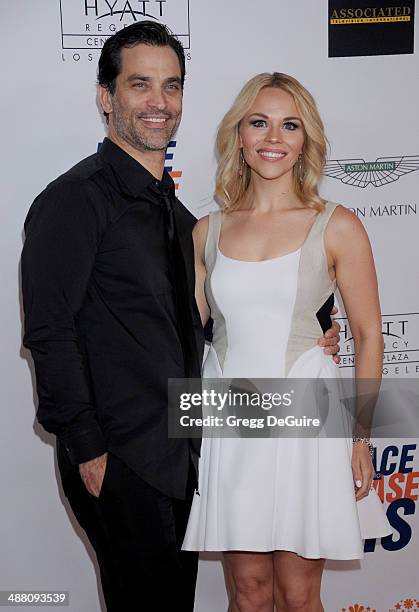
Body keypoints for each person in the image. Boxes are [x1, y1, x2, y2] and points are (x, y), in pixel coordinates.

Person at [20, 21, 340, 610]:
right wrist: (88, 450)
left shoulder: (180, 215)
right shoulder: (74, 201)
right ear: (105, 96)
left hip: (185, 453)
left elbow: (215, 317)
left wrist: (318, 328)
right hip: (120, 456)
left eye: (171, 87)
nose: (158, 102)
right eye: (140, 85)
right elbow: (49, 330)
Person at [182, 73, 392, 612]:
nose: (273, 137)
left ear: (305, 140)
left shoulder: (337, 225)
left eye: (289, 125)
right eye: (260, 122)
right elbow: (187, 335)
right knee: (248, 594)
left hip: (308, 420)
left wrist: (360, 437)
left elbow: (368, 336)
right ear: (240, 137)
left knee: (299, 595)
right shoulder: (208, 230)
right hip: (233, 418)